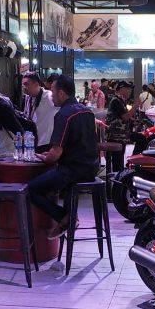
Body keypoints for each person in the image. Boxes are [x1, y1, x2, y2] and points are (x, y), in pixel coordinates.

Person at [27, 75, 99, 239]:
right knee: (57, 182)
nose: (51, 96)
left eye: (52, 92)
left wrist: (45, 158)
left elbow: (56, 154)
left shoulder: (64, 114)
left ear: (61, 93)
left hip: (73, 171)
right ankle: (68, 215)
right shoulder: (87, 111)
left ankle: (65, 217)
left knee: (30, 189)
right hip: (92, 167)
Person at [106, 81, 146, 172]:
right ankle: (118, 175)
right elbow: (125, 117)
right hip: (116, 135)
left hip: (123, 133)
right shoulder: (116, 101)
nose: (130, 91)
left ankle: (132, 162)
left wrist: (133, 120)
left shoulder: (121, 101)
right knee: (118, 162)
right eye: (128, 89)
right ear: (121, 89)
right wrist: (135, 106)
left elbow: (123, 117)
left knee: (142, 139)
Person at [22, 71, 58, 153]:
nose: (24, 87)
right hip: (32, 143)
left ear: (36, 84)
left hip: (47, 143)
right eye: (23, 85)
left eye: (26, 84)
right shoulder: (28, 98)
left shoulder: (49, 96)